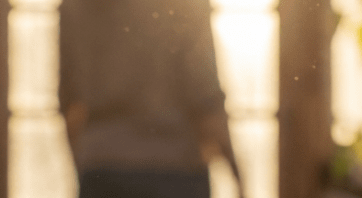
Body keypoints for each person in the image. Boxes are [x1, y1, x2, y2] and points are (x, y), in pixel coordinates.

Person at [59, 0, 242, 197]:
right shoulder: (185, 5)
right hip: (174, 168)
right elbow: (204, 95)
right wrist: (237, 174)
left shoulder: (74, 5)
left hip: (102, 167)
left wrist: (86, 163)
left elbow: (70, 101)